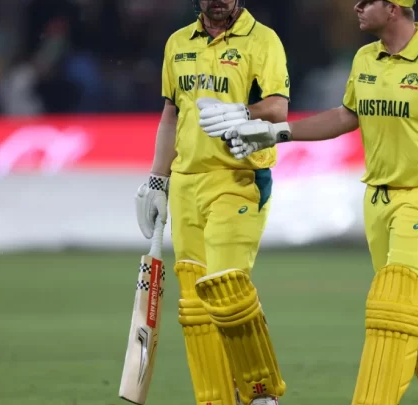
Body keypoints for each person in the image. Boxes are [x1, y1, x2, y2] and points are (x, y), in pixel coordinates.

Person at [198, 1, 418, 405]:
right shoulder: (364, 58)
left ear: (394, 8)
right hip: (377, 200)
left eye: (366, 2)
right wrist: (277, 134)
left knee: (392, 302)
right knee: (411, 309)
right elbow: (346, 117)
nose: (356, 8)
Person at [134, 1, 290, 405]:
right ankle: (217, 399)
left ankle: (261, 393)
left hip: (239, 178)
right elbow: (171, 114)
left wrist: (241, 111)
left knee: (226, 288)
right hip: (186, 184)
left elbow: (277, 108)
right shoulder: (177, 43)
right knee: (195, 305)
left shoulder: (263, 40)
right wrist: (157, 178)